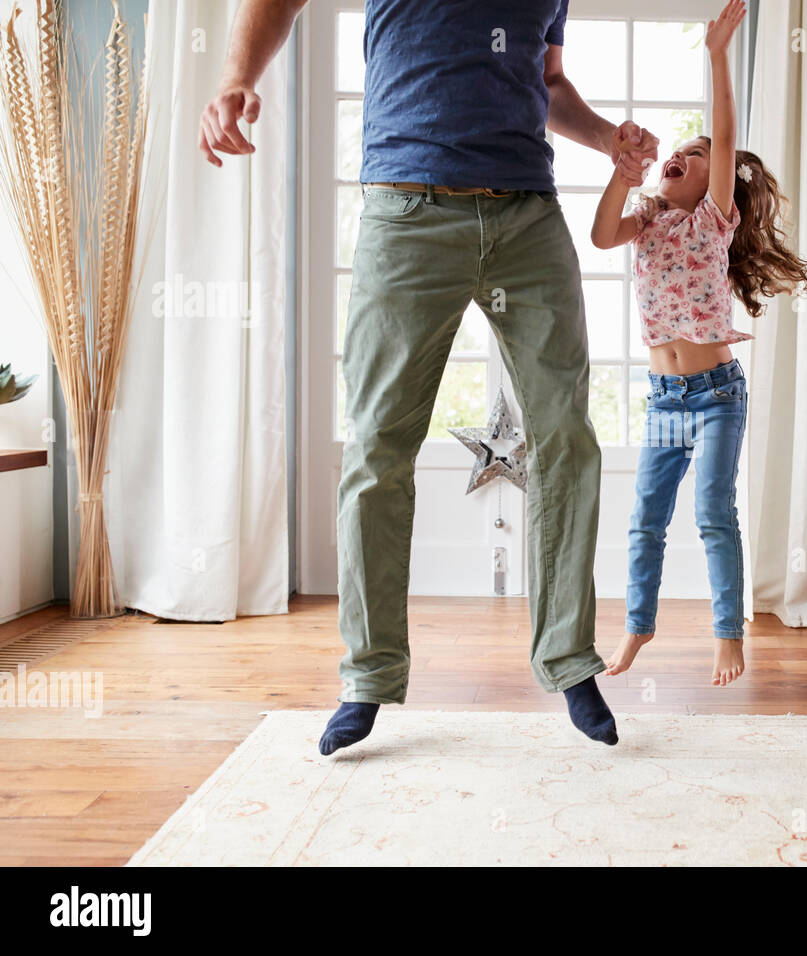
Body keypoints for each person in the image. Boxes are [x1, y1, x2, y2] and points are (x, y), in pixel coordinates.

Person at [199, 0, 659, 752]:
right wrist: (236, 77)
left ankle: (569, 659)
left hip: (527, 216)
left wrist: (608, 138)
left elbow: (550, 82)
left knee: (567, 438)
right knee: (378, 446)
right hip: (407, 210)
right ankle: (369, 676)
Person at [591, 0, 807, 686]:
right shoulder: (647, 222)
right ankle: (638, 626)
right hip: (663, 400)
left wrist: (717, 56)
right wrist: (621, 176)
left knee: (714, 512)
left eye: (696, 156)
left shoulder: (711, 222)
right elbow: (600, 236)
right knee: (645, 521)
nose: (682, 157)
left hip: (717, 396)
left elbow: (723, 125)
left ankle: (727, 634)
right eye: (678, 153)